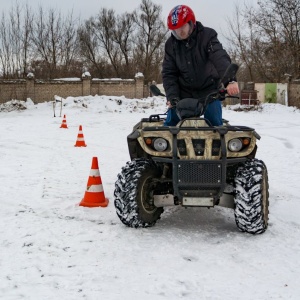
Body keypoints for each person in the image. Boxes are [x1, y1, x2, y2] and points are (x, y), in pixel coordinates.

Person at [162, 5, 239, 126]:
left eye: (182, 26)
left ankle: (217, 144)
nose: (180, 31)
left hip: (209, 90)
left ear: (191, 23)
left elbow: (219, 56)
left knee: (214, 121)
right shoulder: (171, 45)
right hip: (184, 92)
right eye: (176, 29)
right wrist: (172, 96)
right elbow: (169, 73)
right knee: (171, 123)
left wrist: (230, 80)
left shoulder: (207, 36)